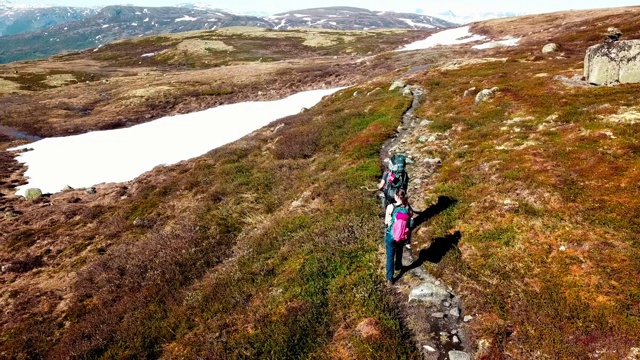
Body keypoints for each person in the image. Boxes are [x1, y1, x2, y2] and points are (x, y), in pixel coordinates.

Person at [384, 188, 413, 284]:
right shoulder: (407, 207)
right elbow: (410, 218)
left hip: (391, 235)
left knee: (390, 256)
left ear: (396, 196)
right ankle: (398, 266)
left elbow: (386, 222)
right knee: (399, 249)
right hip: (402, 235)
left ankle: (390, 278)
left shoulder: (390, 207)